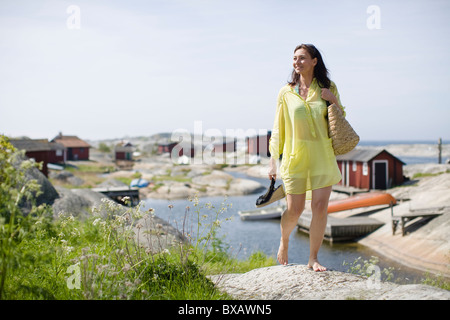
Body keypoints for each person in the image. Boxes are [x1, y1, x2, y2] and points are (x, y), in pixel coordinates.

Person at [268, 44, 345, 272]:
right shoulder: (286, 92)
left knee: (320, 208)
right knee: (295, 210)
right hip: (295, 157)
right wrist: (273, 159)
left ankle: (313, 258)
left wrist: (333, 100)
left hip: (322, 155)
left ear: (314, 61)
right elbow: (277, 128)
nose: (297, 62)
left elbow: (341, 119)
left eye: (302, 58)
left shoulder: (328, 87)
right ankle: (285, 240)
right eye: (294, 58)